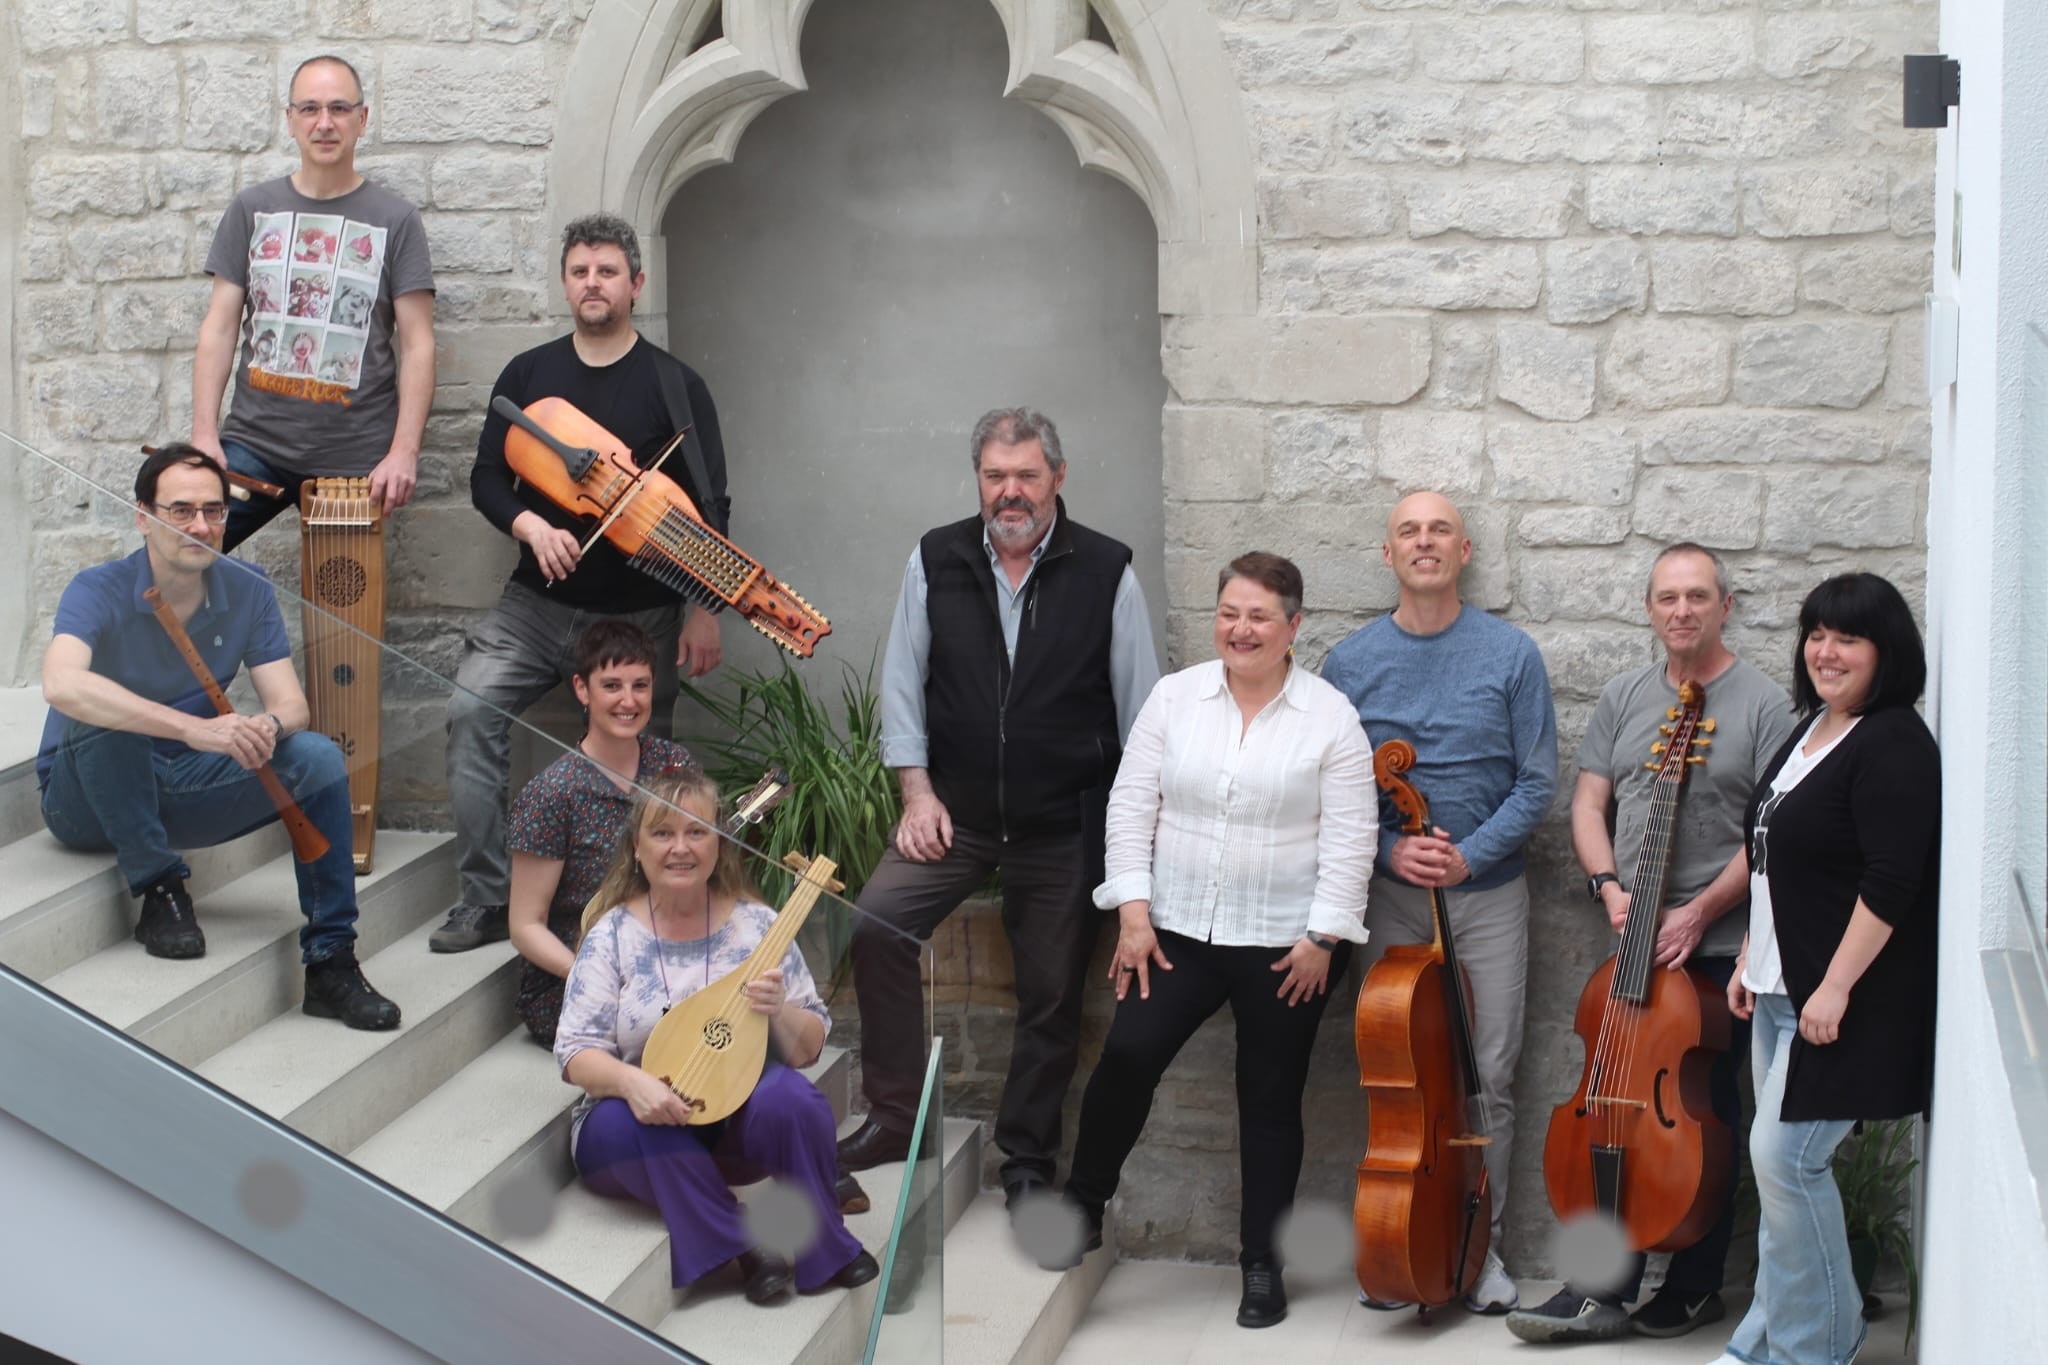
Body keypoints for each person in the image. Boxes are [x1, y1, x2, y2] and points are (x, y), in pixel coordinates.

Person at [836, 409, 1161, 1214]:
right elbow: (903, 683)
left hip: (1062, 826)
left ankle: (1025, 1160)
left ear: (1057, 476)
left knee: (1050, 994)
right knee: (878, 920)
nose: (1009, 491)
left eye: (1026, 475)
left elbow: (1144, 718)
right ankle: (895, 1116)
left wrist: (1133, 850)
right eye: (994, 475)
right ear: (978, 478)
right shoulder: (936, 557)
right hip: (957, 814)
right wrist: (917, 793)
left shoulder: (1107, 570)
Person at [1053, 553, 1375, 1328]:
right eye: (1229, 612)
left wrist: (1323, 937)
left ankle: (1262, 1265)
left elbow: (1351, 837)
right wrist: (1133, 912)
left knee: (1269, 1101)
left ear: (1294, 626)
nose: (1241, 629)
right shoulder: (1175, 698)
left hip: (1287, 946)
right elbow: (1131, 805)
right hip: (1176, 932)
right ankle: (1084, 1203)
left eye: (1259, 615)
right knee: (1128, 1056)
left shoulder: (1330, 716)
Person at [1508, 544, 1796, 1344]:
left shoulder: (1763, 704)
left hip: (1718, 940)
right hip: (1633, 933)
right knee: (1615, 1103)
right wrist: (1609, 886)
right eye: (1668, 597)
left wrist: (1699, 912)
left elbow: (1770, 831)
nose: (1682, 610)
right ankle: (1601, 1283)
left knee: (1705, 1111)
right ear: (1649, 608)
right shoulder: (1627, 695)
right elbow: (1588, 801)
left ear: (1725, 606)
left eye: (1698, 596)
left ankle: (1696, 1287)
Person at [433, 212, 730, 954]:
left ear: (636, 283)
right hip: (535, 607)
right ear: (566, 284)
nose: (593, 283)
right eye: (580, 272)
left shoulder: (676, 385)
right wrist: (529, 526)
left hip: (640, 619)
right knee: (470, 709)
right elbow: (486, 477)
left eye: (607, 271)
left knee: (646, 768)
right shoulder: (529, 377)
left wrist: (703, 609)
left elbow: (710, 509)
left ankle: (631, 907)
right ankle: (485, 898)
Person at [36, 445, 400, 1030]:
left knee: (316, 756)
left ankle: (331, 959)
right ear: (143, 516)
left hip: (183, 782)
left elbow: (292, 706)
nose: (200, 526)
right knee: (105, 707)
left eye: (213, 511)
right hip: (86, 798)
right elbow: (61, 684)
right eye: (180, 510)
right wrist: (195, 728)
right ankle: (160, 889)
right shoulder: (98, 587)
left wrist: (264, 728)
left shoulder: (247, 587)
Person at [1321, 490, 1557, 1315]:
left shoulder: (1511, 654)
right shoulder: (1350, 662)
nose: (1425, 542)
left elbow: (1537, 782)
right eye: (1408, 531)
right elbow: (1335, 789)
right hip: (1392, 901)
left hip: (1486, 897)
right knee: (1400, 1078)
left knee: (1488, 1073)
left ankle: (1479, 1249)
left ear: (1464, 552)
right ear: (1388, 554)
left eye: (1441, 530)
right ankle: (1404, 1242)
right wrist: (1392, 850)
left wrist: (1469, 855)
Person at [1712, 573, 1938, 1365]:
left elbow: (1892, 880)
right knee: (1780, 1177)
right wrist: (1751, 954)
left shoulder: (1894, 742)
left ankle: (1819, 1347)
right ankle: (1760, 1344)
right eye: (1816, 633)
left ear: (1887, 650)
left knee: (1788, 1163)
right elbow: (1775, 857)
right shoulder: (1814, 727)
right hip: (1778, 988)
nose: (1826, 651)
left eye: (1848, 637)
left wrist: (1836, 985)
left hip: (1838, 1000)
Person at [554, 769, 879, 1302]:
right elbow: (575, 1054)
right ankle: (742, 1239)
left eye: (696, 831)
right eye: (663, 833)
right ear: (637, 847)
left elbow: (808, 1048)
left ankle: (824, 1243)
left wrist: (778, 1012)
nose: (680, 848)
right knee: (627, 1123)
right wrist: (634, 1085)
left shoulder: (758, 926)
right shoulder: (612, 935)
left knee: (793, 1099)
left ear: (719, 844)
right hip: (640, 1125)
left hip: (735, 1124)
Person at [191, 55, 435, 547]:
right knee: (179, 551)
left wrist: (404, 451)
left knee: (342, 594)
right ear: (290, 120)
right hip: (253, 445)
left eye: (339, 108)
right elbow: (219, 327)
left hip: (354, 460)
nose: (325, 123)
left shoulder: (396, 220)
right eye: (310, 109)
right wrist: (203, 435)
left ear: (362, 119)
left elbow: (418, 345)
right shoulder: (252, 209)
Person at [506, 621, 696, 1045]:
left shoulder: (675, 766)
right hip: (576, 977)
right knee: (677, 1041)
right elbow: (525, 925)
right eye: (612, 686)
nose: (629, 701)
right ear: (582, 689)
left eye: (640, 685)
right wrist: (593, 975)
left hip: (668, 960)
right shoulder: (551, 794)